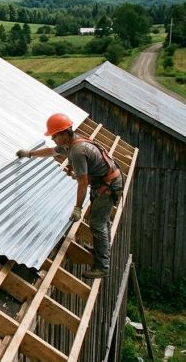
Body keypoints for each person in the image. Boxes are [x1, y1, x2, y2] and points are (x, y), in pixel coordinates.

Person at [15, 113, 122, 279]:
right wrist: (30, 153)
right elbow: (51, 151)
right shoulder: (70, 143)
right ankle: (103, 249)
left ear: (65, 133)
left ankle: (102, 266)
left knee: (96, 222)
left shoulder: (77, 152)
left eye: (54, 136)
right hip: (106, 181)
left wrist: (77, 208)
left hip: (107, 185)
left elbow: (82, 183)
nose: (53, 139)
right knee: (101, 218)